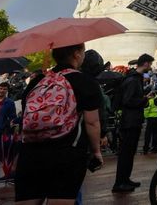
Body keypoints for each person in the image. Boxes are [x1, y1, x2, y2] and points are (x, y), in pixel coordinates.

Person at [14, 43, 103, 205]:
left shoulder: (38, 81)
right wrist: (96, 151)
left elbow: (26, 115)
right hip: (66, 153)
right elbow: (92, 122)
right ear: (76, 54)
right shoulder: (85, 81)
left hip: (31, 153)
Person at [113, 52, 153, 193]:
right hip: (130, 121)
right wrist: (144, 99)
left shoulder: (133, 78)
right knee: (126, 153)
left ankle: (125, 179)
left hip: (132, 120)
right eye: (150, 64)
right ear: (146, 63)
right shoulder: (133, 80)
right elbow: (128, 101)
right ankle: (120, 182)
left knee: (129, 153)